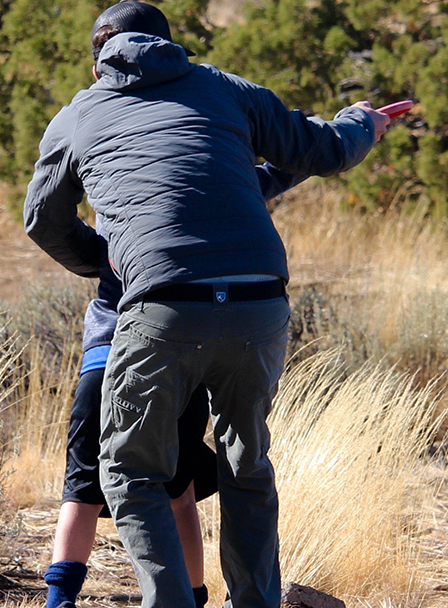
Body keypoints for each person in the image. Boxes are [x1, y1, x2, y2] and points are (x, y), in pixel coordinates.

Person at [24, 0, 389, 608]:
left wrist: (108, 257)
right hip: (260, 298)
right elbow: (318, 150)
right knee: (247, 466)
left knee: (129, 470)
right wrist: (360, 122)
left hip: (164, 307)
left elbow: (42, 221)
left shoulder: (79, 115)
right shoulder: (224, 88)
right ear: (171, 45)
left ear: (98, 62)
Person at [42, 163, 306, 608]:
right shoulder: (201, 198)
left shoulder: (116, 194)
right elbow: (266, 175)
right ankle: (195, 598)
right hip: (174, 352)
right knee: (178, 491)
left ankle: (59, 599)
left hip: (108, 357)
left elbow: (47, 218)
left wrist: (94, 255)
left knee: (83, 489)